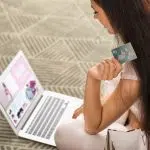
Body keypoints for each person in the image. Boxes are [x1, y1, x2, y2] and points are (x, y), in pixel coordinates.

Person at [54, 0, 150, 149]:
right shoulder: (138, 32)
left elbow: (93, 126)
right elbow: (119, 65)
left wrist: (92, 78)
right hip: (134, 109)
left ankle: (125, 125)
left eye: (96, 11)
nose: (95, 18)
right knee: (115, 75)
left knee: (65, 133)